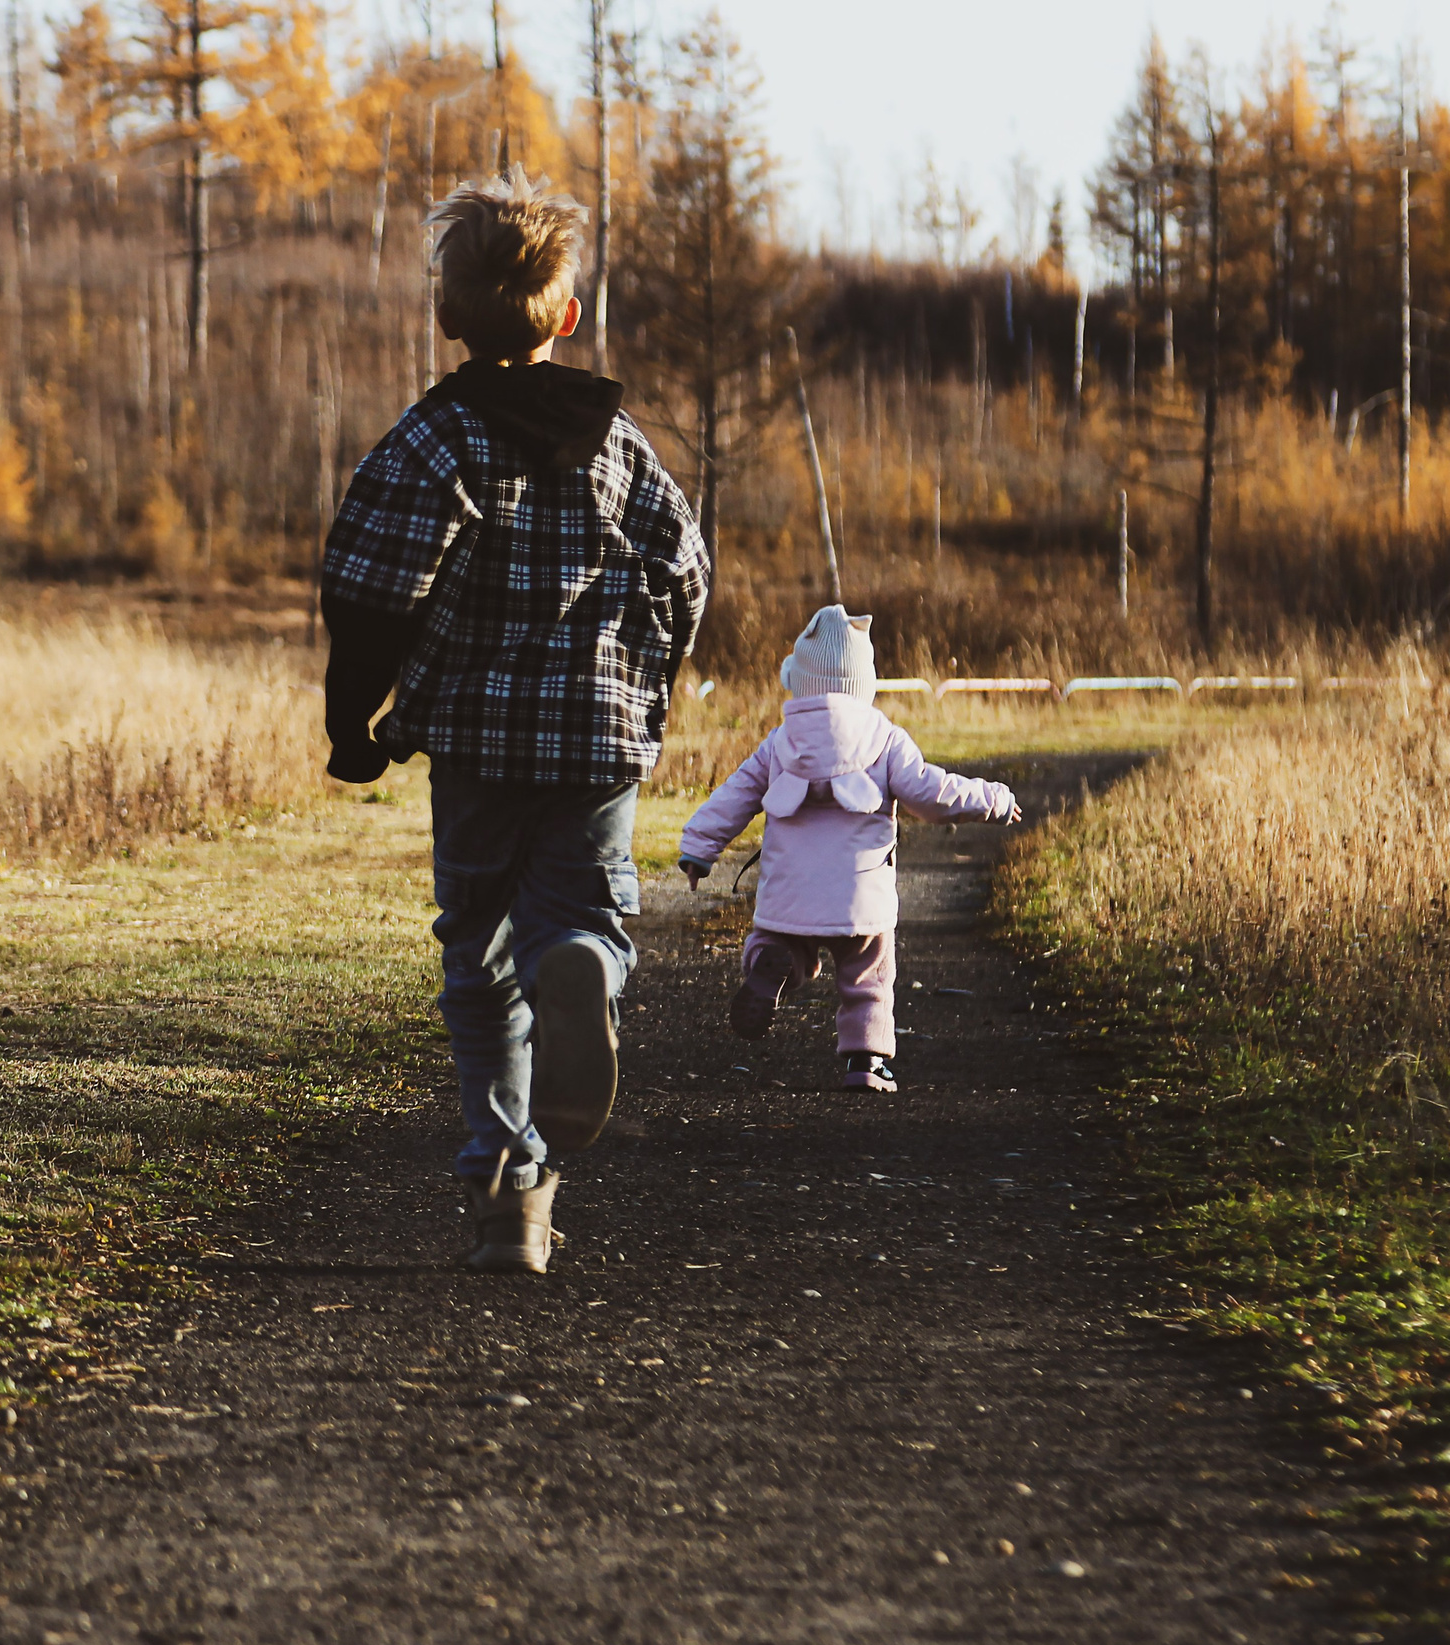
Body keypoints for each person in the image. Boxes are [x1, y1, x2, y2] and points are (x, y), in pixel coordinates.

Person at [318, 167, 712, 1275]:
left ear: (446, 316)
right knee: (577, 913)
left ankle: (506, 1181)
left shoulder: (431, 442)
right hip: (597, 739)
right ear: (567, 316)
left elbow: (368, 590)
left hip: (479, 743)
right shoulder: (616, 440)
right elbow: (684, 570)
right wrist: (646, 685)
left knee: (478, 953)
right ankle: (582, 957)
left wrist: (355, 722)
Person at [677, 606, 1020, 1092]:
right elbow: (930, 793)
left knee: (781, 944)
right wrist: (994, 799)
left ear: (801, 679)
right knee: (869, 975)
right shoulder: (884, 738)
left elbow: (736, 794)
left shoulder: (780, 742)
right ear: (865, 682)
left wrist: (698, 848)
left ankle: (771, 964)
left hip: (789, 894)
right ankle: (866, 1063)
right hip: (861, 897)